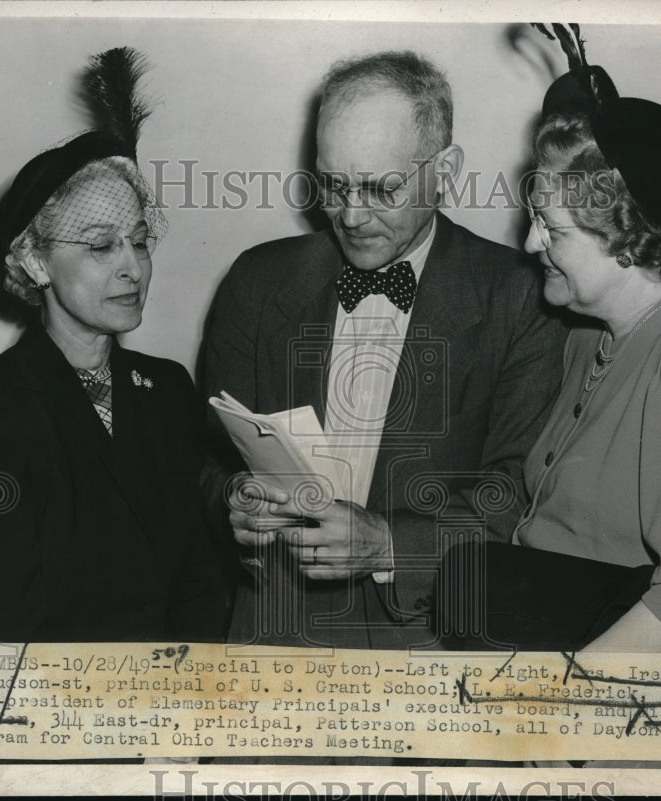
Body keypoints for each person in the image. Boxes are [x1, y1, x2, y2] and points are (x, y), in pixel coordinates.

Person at [202, 51, 568, 650]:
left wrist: (389, 543)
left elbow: (522, 496)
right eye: (334, 185)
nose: (351, 215)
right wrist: (232, 502)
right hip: (270, 636)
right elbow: (208, 457)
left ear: (445, 171)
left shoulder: (522, 298)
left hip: (425, 643)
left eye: (381, 188)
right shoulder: (256, 281)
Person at [443, 26, 661, 655]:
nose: (530, 244)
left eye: (551, 228)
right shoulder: (583, 340)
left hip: (628, 710)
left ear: (625, 238)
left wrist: (554, 715)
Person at [0, 48, 228, 644]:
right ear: (35, 260)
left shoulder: (166, 388)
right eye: (98, 246)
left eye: (139, 241)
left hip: (175, 719)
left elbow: (199, 574)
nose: (132, 268)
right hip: (59, 724)